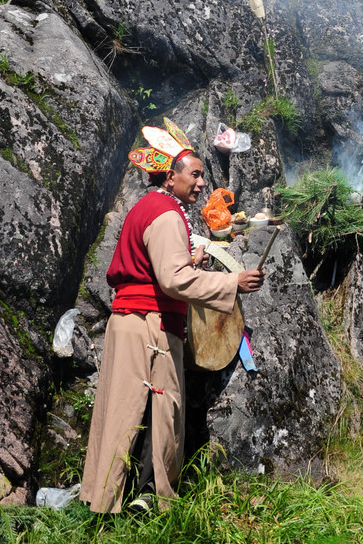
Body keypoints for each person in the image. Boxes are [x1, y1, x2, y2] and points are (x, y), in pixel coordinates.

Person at [80, 117, 265, 513]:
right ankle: (145, 500)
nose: (201, 183)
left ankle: (116, 498)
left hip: (135, 321)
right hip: (150, 324)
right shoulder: (165, 212)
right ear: (170, 176)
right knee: (157, 409)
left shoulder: (151, 208)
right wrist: (233, 283)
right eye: (195, 174)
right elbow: (172, 280)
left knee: (129, 410)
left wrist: (190, 260)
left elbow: (163, 269)